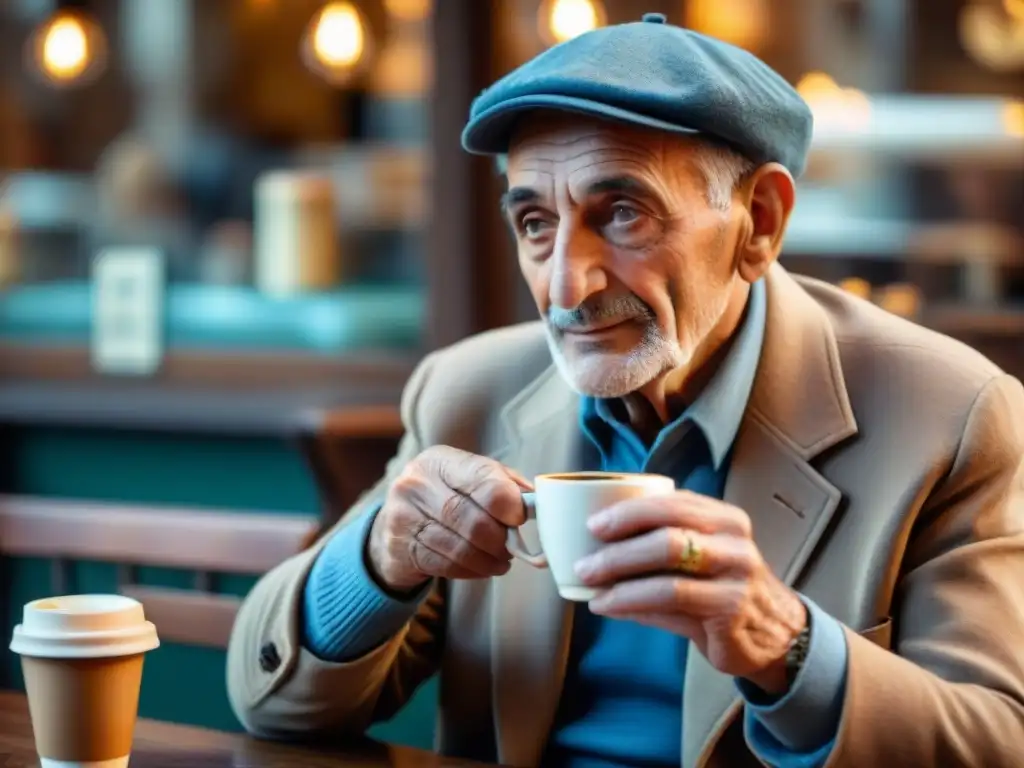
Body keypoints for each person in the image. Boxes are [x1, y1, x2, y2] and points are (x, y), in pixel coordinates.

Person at [226, 13, 1024, 768]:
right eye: (536, 223)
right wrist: (376, 560)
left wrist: (787, 645)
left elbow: (999, 741)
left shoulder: (949, 415)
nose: (566, 285)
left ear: (760, 222)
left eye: (623, 214)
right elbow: (273, 708)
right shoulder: (466, 393)